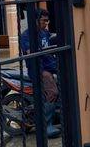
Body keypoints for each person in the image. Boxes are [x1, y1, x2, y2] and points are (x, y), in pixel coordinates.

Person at [20, 9, 60, 138]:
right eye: (44, 20)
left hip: (51, 66)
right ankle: (46, 125)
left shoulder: (44, 33)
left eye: (47, 20)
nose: (46, 23)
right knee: (53, 92)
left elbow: (52, 41)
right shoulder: (27, 35)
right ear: (36, 21)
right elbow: (30, 53)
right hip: (39, 69)